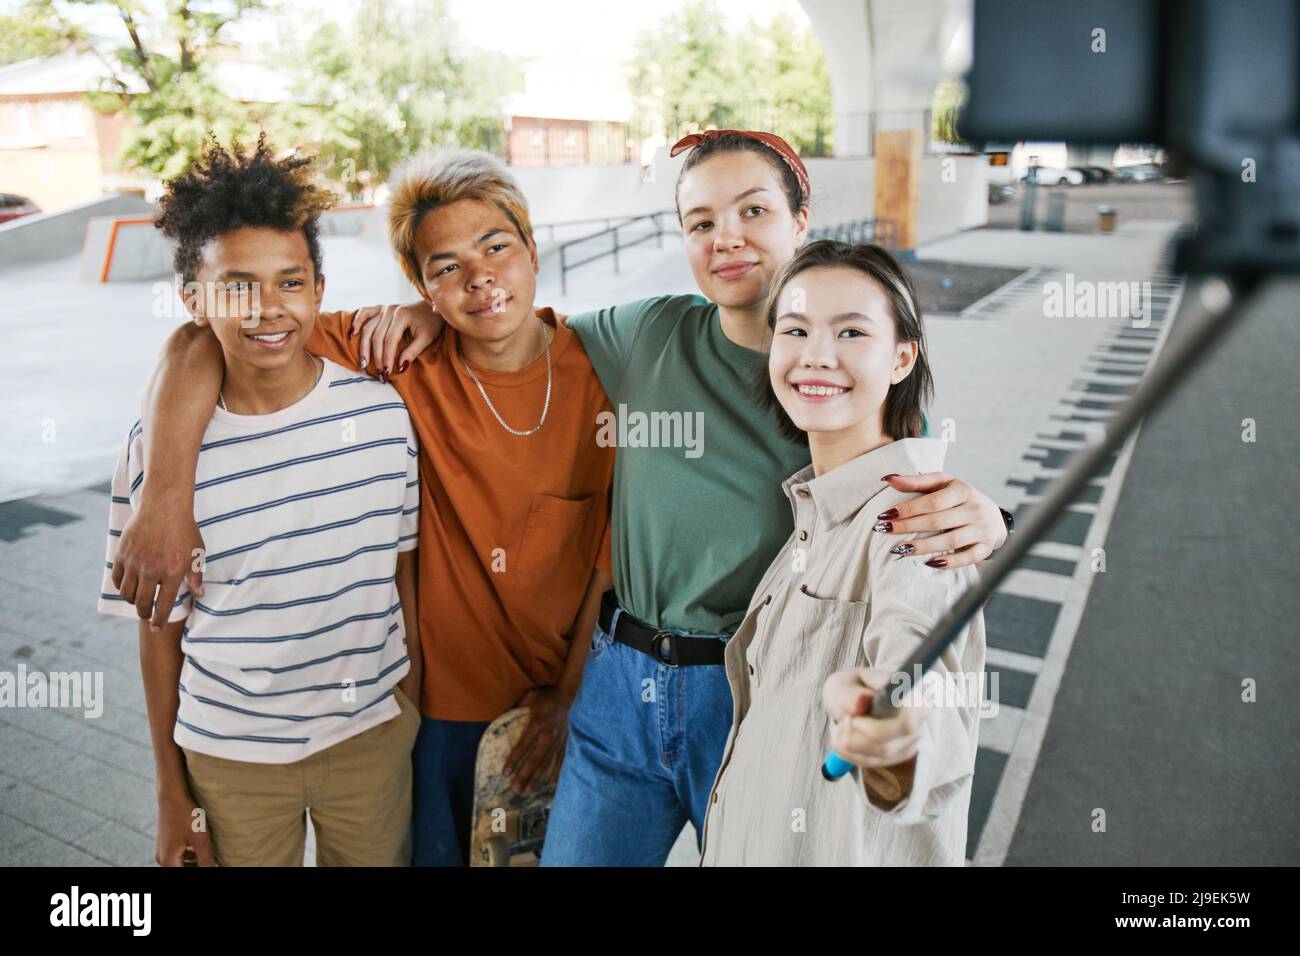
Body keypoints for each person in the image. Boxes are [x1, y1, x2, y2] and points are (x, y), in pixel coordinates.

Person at [351, 130, 1009, 866]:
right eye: (701, 223)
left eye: (753, 211)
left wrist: (989, 519)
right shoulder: (646, 333)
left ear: (800, 219)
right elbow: (515, 329)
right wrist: (428, 313)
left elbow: (914, 556)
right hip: (620, 684)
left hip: (753, 691)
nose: (726, 238)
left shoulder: (846, 387)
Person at [108, 148, 615, 866]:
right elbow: (201, 340)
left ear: (532, 247)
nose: (480, 277)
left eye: (496, 248)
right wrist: (163, 493)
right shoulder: (396, 368)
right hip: (416, 720)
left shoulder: (598, 377)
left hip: (509, 718)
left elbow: (603, 564)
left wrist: (570, 697)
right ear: (421, 287)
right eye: (445, 267)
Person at [97, 137, 423, 866]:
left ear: (318, 287)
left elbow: (401, 578)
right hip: (230, 758)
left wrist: (410, 704)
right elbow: (157, 632)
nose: (269, 308)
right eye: (238, 285)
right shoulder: (158, 452)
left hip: (369, 739)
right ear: (193, 300)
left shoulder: (379, 418)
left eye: (291, 281)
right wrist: (170, 796)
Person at [698, 239, 984, 866]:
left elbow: (920, 670)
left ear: (902, 358)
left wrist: (900, 730)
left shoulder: (912, 524)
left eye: (852, 332)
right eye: (795, 330)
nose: (816, 356)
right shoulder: (817, 507)